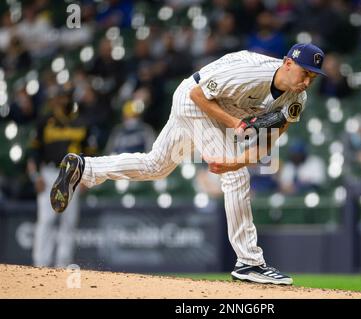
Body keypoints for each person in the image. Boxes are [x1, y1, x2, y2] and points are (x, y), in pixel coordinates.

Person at [50, 43, 326, 285]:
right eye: (304, 74)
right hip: (194, 99)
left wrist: (234, 162)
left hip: (219, 110)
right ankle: (249, 262)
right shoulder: (251, 73)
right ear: (288, 64)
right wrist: (235, 127)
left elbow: (266, 145)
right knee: (238, 179)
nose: (307, 82)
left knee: (156, 166)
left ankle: (84, 168)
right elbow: (197, 95)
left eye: (313, 78)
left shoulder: (297, 98)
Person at [27, 84, 96, 267]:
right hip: (49, 172)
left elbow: (90, 154)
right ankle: (40, 265)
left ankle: (63, 264)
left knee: (69, 222)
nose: (62, 100)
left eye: (65, 96)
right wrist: (35, 176)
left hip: (73, 175)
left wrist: (86, 178)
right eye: (59, 96)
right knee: (47, 220)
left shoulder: (83, 121)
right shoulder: (45, 121)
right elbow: (33, 153)